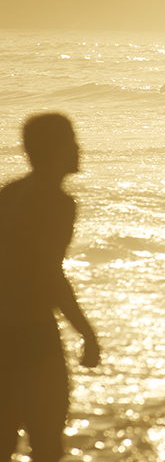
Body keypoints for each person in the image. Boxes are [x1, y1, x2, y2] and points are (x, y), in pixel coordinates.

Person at [1, 114, 101, 462]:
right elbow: (49, 273)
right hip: (33, 334)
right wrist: (87, 333)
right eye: (72, 140)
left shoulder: (8, 194)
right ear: (56, 149)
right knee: (46, 445)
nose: (79, 148)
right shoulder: (58, 203)